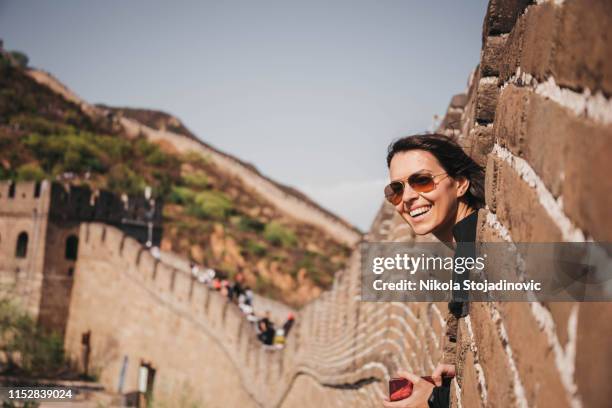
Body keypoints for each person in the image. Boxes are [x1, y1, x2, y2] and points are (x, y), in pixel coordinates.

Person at [381, 134, 484, 408]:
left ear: (460, 183)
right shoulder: (466, 247)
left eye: (422, 180)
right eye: (396, 190)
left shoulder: (476, 249)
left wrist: (430, 401)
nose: (409, 198)